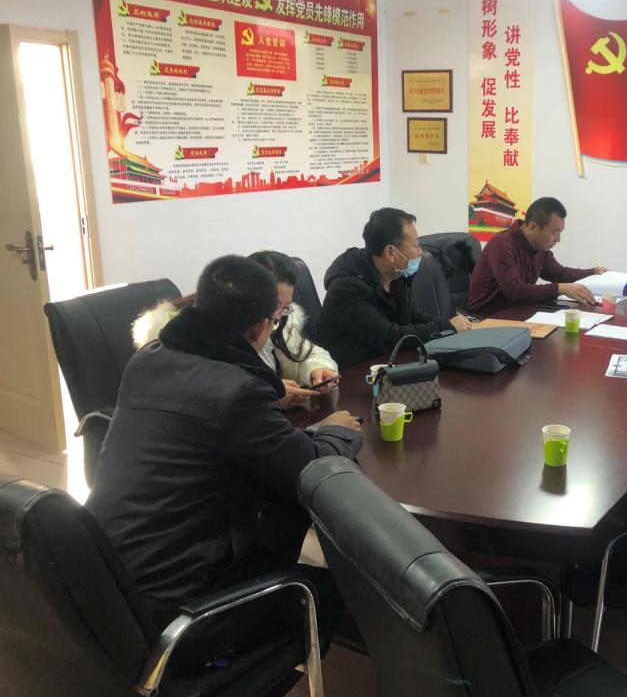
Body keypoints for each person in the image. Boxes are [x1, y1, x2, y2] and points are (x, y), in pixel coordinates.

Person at [88, 255, 364, 634]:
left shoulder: (147, 359)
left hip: (103, 575)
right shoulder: (238, 391)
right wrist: (335, 429)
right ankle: (234, 666)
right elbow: (313, 471)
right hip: (177, 604)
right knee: (332, 592)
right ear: (259, 328)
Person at [132, 250, 339, 410]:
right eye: (275, 306)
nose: (278, 316)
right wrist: (270, 396)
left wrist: (316, 370)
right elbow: (213, 403)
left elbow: (305, 354)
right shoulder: (187, 343)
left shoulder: (278, 319)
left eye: (286, 307)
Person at [319, 208, 471, 369]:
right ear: (391, 252)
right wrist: (446, 327)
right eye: (415, 245)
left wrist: (449, 324)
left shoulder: (398, 274)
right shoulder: (346, 289)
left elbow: (412, 316)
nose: (420, 252)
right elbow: (389, 337)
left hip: (389, 362)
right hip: (352, 373)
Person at [466, 196, 608, 312]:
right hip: (486, 316)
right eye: (554, 233)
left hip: (516, 310)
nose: (558, 240)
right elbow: (515, 290)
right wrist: (561, 288)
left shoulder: (539, 248)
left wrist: (593, 272)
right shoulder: (502, 244)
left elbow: (559, 273)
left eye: (560, 233)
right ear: (532, 227)